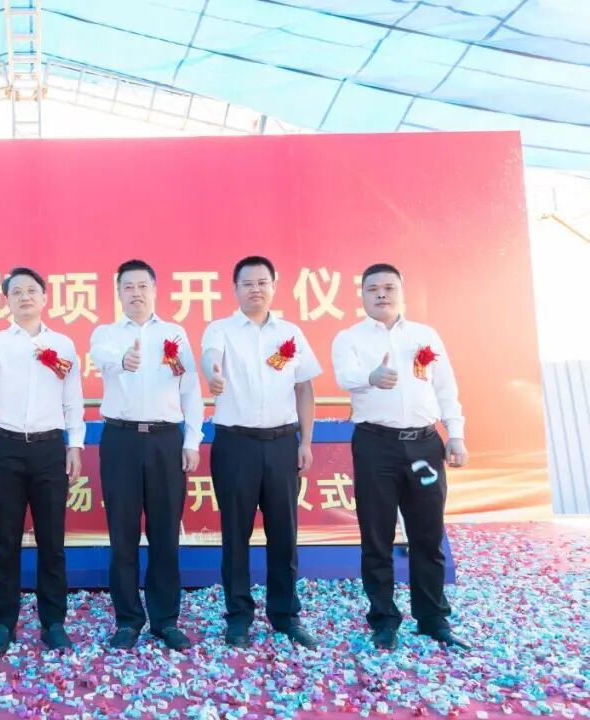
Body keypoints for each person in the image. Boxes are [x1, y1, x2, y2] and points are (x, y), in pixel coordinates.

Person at [331, 263, 469, 650]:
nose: (381, 294)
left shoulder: (426, 335)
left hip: (424, 445)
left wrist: (455, 435)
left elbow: (446, 388)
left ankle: (432, 618)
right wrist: (370, 378)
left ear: (401, 292)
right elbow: (344, 377)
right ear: (362, 295)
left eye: (389, 287)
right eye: (372, 288)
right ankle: (384, 619)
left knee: (428, 533)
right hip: (376, 446)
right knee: (376, 535)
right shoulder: (349, 338)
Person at [201, 255, 320, 649]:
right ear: (235, 289)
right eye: (247, 283)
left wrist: (305, 442)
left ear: (274, 285)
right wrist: (214, 375)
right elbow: (210, 358)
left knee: (284, 534)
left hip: (283, 443)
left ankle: (285, 615)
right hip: (236, 445)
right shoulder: (221, 330)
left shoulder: (290, 333)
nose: (255, 289)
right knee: (235, 534)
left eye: (262, 282)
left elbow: (304, 389)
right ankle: (238, 616)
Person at [90, 259, 202, 651]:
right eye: (128, 287)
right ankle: (128, 620)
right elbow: (102, 357)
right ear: (118, 293)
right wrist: (124, 361)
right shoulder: (106, 334)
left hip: (165, 440)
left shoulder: (175, 333)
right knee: (122, 534)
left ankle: (165, 620)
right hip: (120, 440)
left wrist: (191, 441)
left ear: (154, 290)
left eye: (142, 286)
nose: (135, 293)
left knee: (165, 533)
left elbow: (191, 390)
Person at [0, 267, 85, 655]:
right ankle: (4, 623)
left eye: (31, 290)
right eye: (17, 292)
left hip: (49, 448)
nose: (25, 297)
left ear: (44, 298)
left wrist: (75, 444)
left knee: (52, 540)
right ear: (7, 301)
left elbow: (73, 397)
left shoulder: (63, 343)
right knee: (5, 539)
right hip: (7, 448)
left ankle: (53, 622)